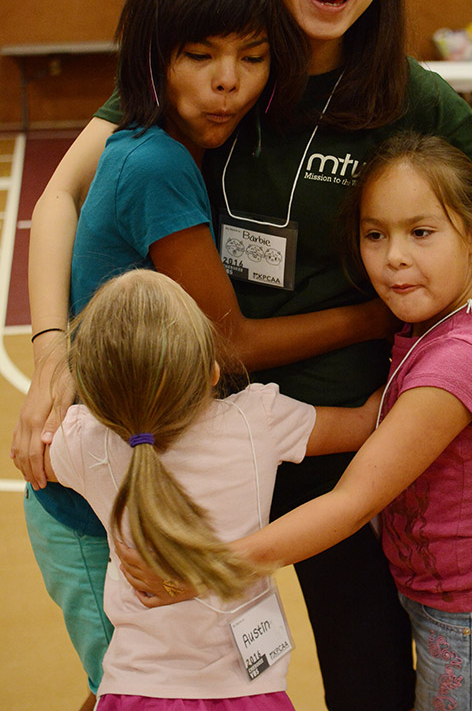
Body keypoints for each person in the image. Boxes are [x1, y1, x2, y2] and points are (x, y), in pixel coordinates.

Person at [12, 0, 472, 711]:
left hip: (323, 430)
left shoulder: (414, 97)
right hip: (190, 430)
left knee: (366, 669)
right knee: (153, 668)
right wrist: (51, 346)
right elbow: (60, 197)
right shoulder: (208, 59)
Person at [18, 0, 394, 707]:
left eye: (253, 58)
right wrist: (376, 315)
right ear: (154, 58)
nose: (228, 81)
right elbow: (231, 340)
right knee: (131, 687)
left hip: (134, 488)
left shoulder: (170, 145)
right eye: (200, 56)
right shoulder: (156, 162)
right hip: (98, 507)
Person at [122, 132, 472, 710]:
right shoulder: (443, 307)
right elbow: (383, 412)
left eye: (421, 233)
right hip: (442, 589)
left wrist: (206, 568)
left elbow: (351, 503)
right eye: (375, 235)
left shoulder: (463, 360)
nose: (395, 257)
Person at [44, 268, 383, 710]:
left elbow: (36, 458)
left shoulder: (86, 440)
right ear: (212, 371)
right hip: (247, 690)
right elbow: (365, 423)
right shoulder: (257, 418)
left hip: (136, 688)